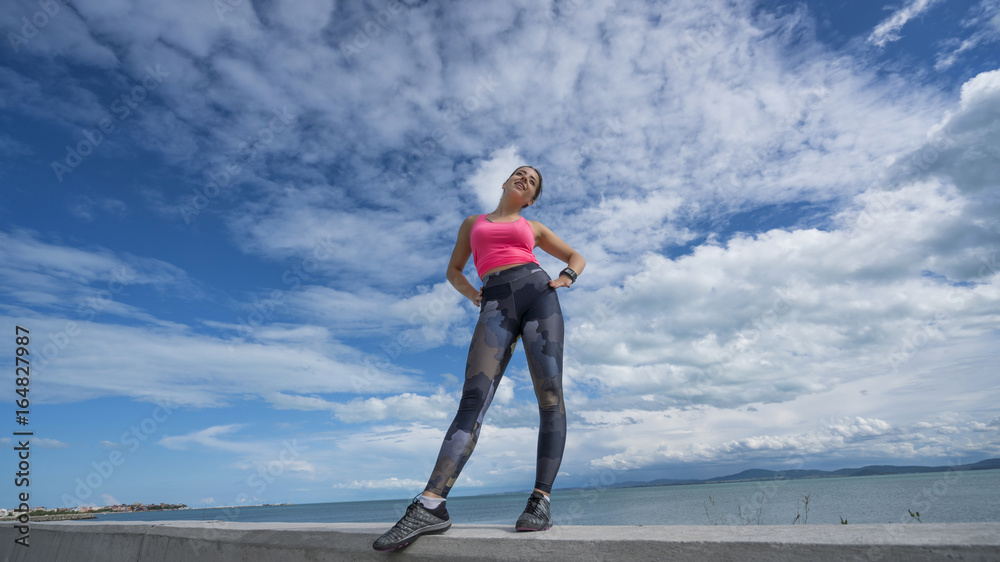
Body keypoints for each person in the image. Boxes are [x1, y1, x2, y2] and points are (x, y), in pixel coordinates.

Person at [373, 165, 586, 551]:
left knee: (550, 396)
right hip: (495, 302)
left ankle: (541, 501)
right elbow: (454, 270)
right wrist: (473, 293)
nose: (525, 179)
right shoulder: (473, 223)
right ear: (505, 183)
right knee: (473, 399)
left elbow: (576, 255)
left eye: (532, 181)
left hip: (539, 294)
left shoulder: (533, 227)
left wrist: (568, 275)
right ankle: (431, 504)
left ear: (532, 198)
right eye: (519, 174)